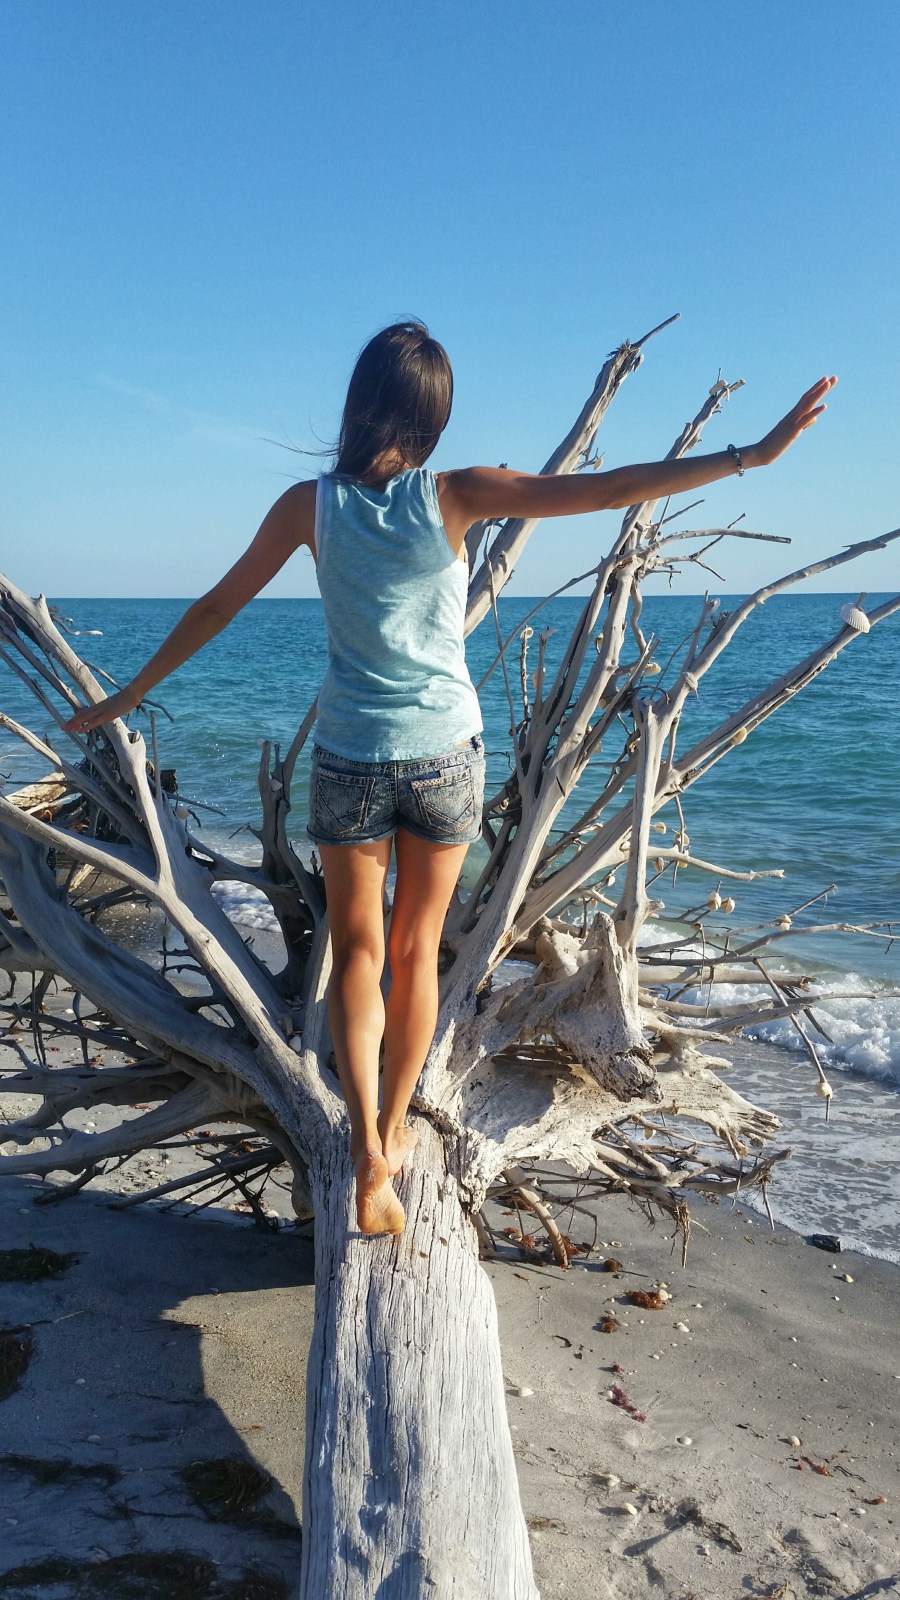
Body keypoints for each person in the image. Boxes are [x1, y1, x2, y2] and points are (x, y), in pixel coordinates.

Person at [64, 322, 835, 1236]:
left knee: (355, 954)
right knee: (414, 952)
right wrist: (752, 454)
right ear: (433, 417)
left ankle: (361, 1148)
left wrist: (126, 698)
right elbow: (611, 490)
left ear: (359, 401)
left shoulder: (306, 507)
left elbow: (218, 605)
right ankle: (390, 1134)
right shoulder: (459, 492)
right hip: (443, 757)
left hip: (350, 755)